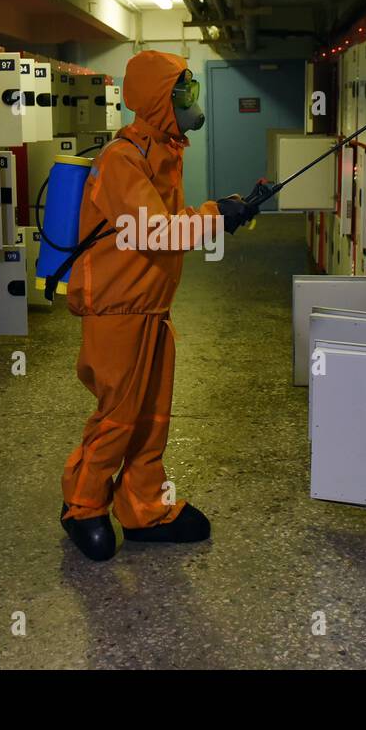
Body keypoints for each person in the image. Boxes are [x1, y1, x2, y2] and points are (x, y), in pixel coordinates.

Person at [59, 50, 257, 561]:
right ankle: (81, 506)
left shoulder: (164, 150)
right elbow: (153, 230)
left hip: (150, 309)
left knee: (150, 418)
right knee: (118, 417)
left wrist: (225, 210)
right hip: (117, 311)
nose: (192, 100)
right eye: (183, 91)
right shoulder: (121, 159)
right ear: (157, 100)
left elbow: (167, 220)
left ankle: (144, 508)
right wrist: (215, 216)